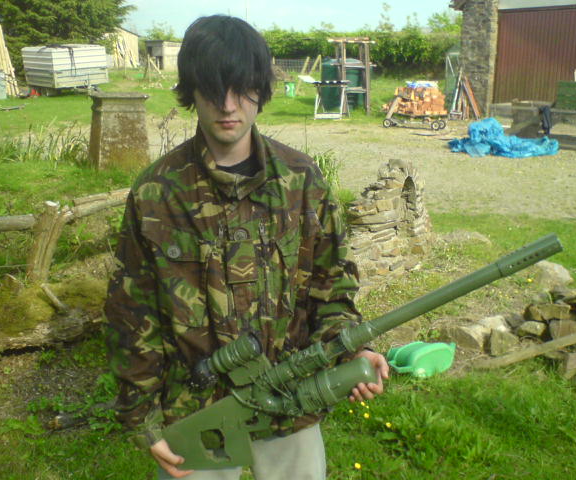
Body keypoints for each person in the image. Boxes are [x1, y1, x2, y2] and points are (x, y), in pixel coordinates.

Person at [104, 15, 389, 480]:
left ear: (262, 90)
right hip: (196, 416)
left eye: (243, 89)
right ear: (191, 91)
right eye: (213, 90)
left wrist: (348, 352)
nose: (228, 106)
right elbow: (132, 313)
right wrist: (143, 416)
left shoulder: (302, 180)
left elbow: (332, 286)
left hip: (292, 404)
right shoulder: (156, 193)